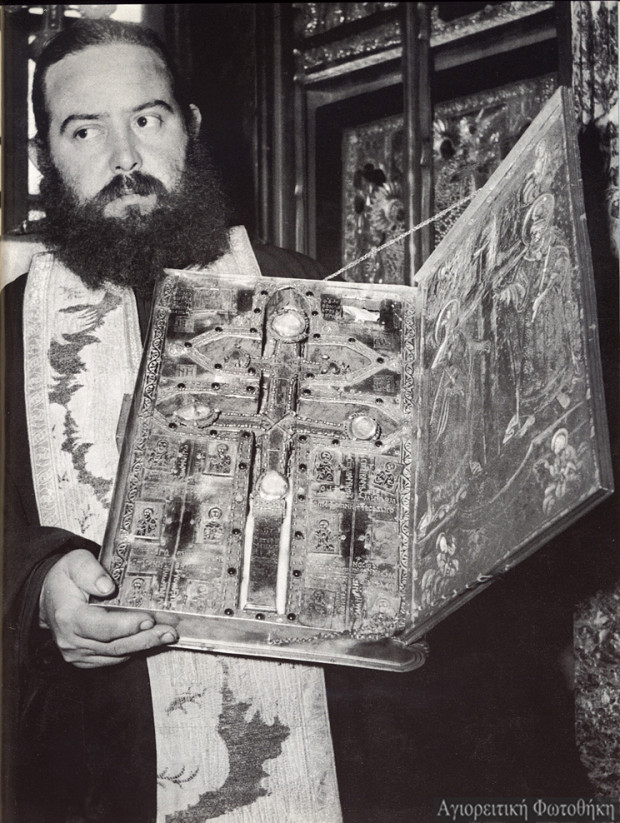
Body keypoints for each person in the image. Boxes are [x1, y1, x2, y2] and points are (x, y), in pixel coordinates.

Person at [2, 17, 595, 823]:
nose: (126, 159)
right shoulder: (5, 337)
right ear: (44, 155)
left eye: (147, 119)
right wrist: (37, 586)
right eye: (85, 131)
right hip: (95, 768)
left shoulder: (316, 292)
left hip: (321, 755)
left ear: (191, 127)